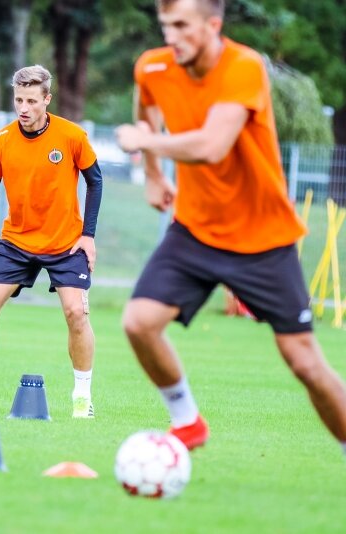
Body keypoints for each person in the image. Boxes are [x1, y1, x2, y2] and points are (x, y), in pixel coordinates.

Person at [115, 0, 346, 452]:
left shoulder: (243, 66)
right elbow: (147, 110)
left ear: (213, 25)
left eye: (182, 26)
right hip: (196, 229)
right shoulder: (153, 67)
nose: (171, 37)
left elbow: (211, 145)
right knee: (139, 323)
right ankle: (187, 421)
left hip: (263, 238)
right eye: (165, 26)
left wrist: (147, 142)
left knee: (303, 361)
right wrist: (155, 174)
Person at [0, 65, 104, 418]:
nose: (23, 108)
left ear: (47, 99)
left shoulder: (72, 136)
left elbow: (95, 181)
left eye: (31, 101)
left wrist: (88, 235)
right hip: (16, 242)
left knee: (76, 313)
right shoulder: (0, 141)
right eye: (19, 100)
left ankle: (82, 399)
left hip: (66, 243)